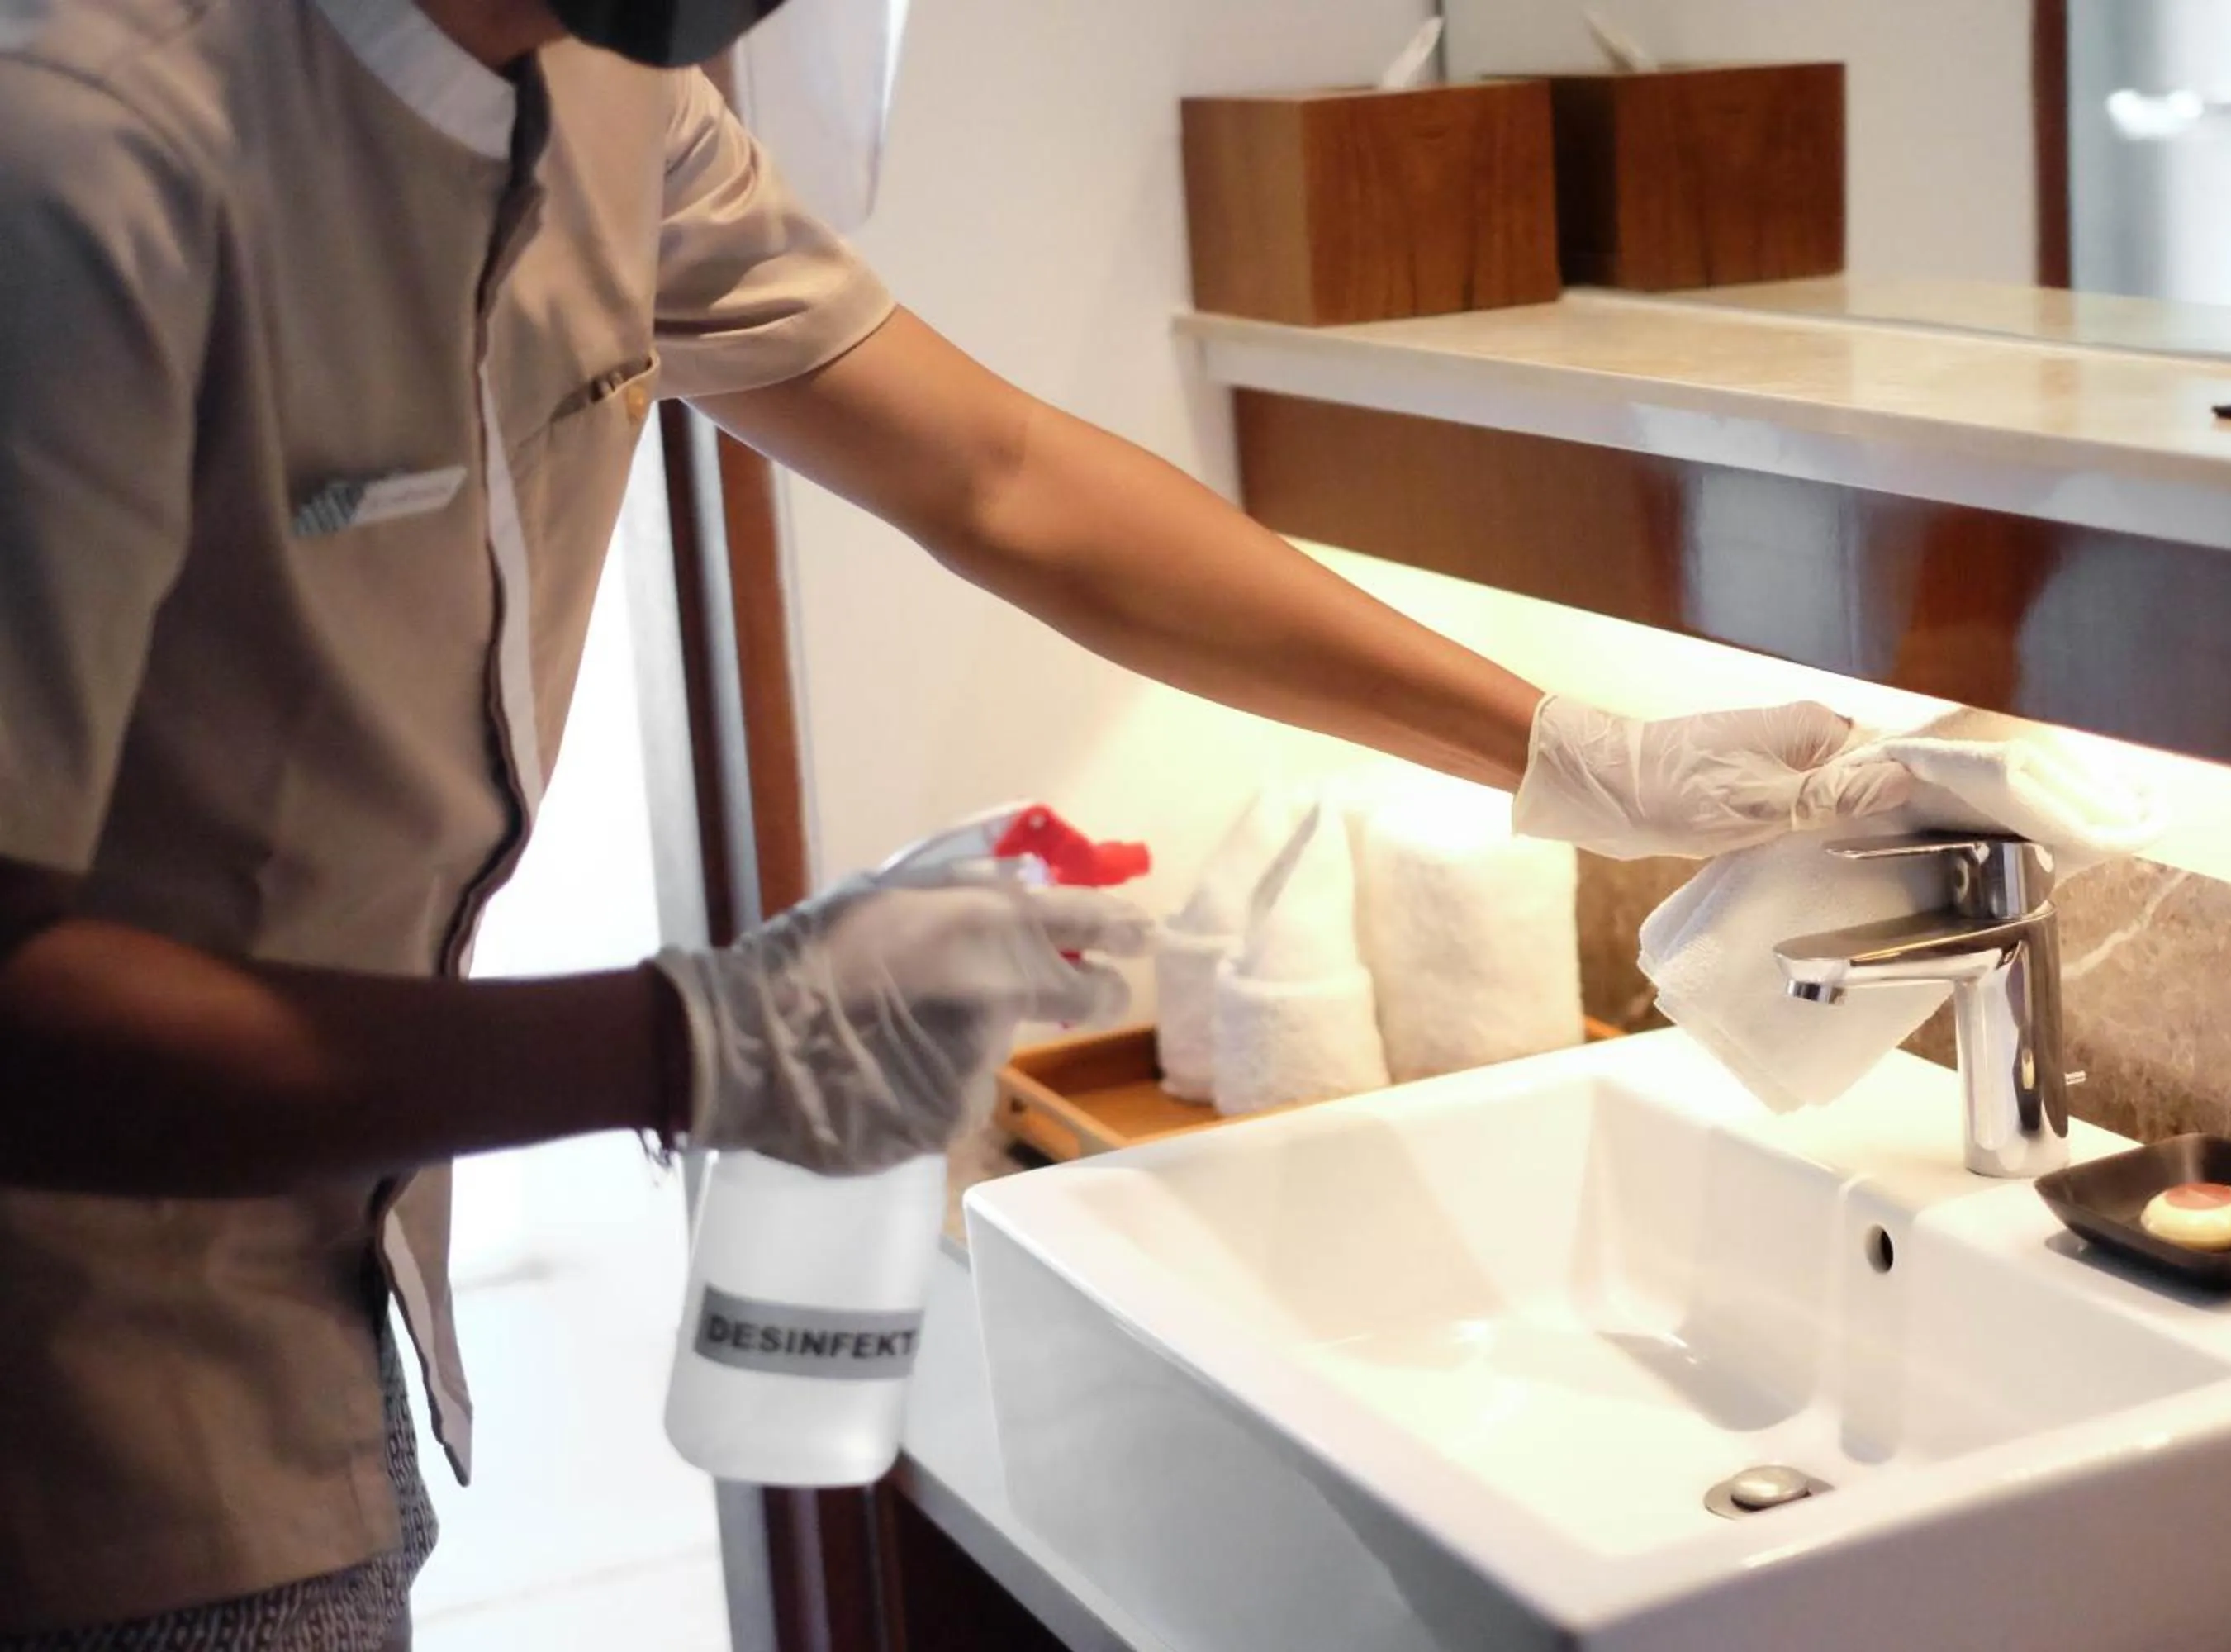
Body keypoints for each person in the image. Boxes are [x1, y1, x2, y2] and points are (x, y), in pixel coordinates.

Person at [0, 0, 1912, 1643]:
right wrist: (703, 1036)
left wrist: (1572, 749)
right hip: (79, 1403)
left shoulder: (612, 105)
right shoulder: (84, 150)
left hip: (324, 1276)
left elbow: (1001, 478)